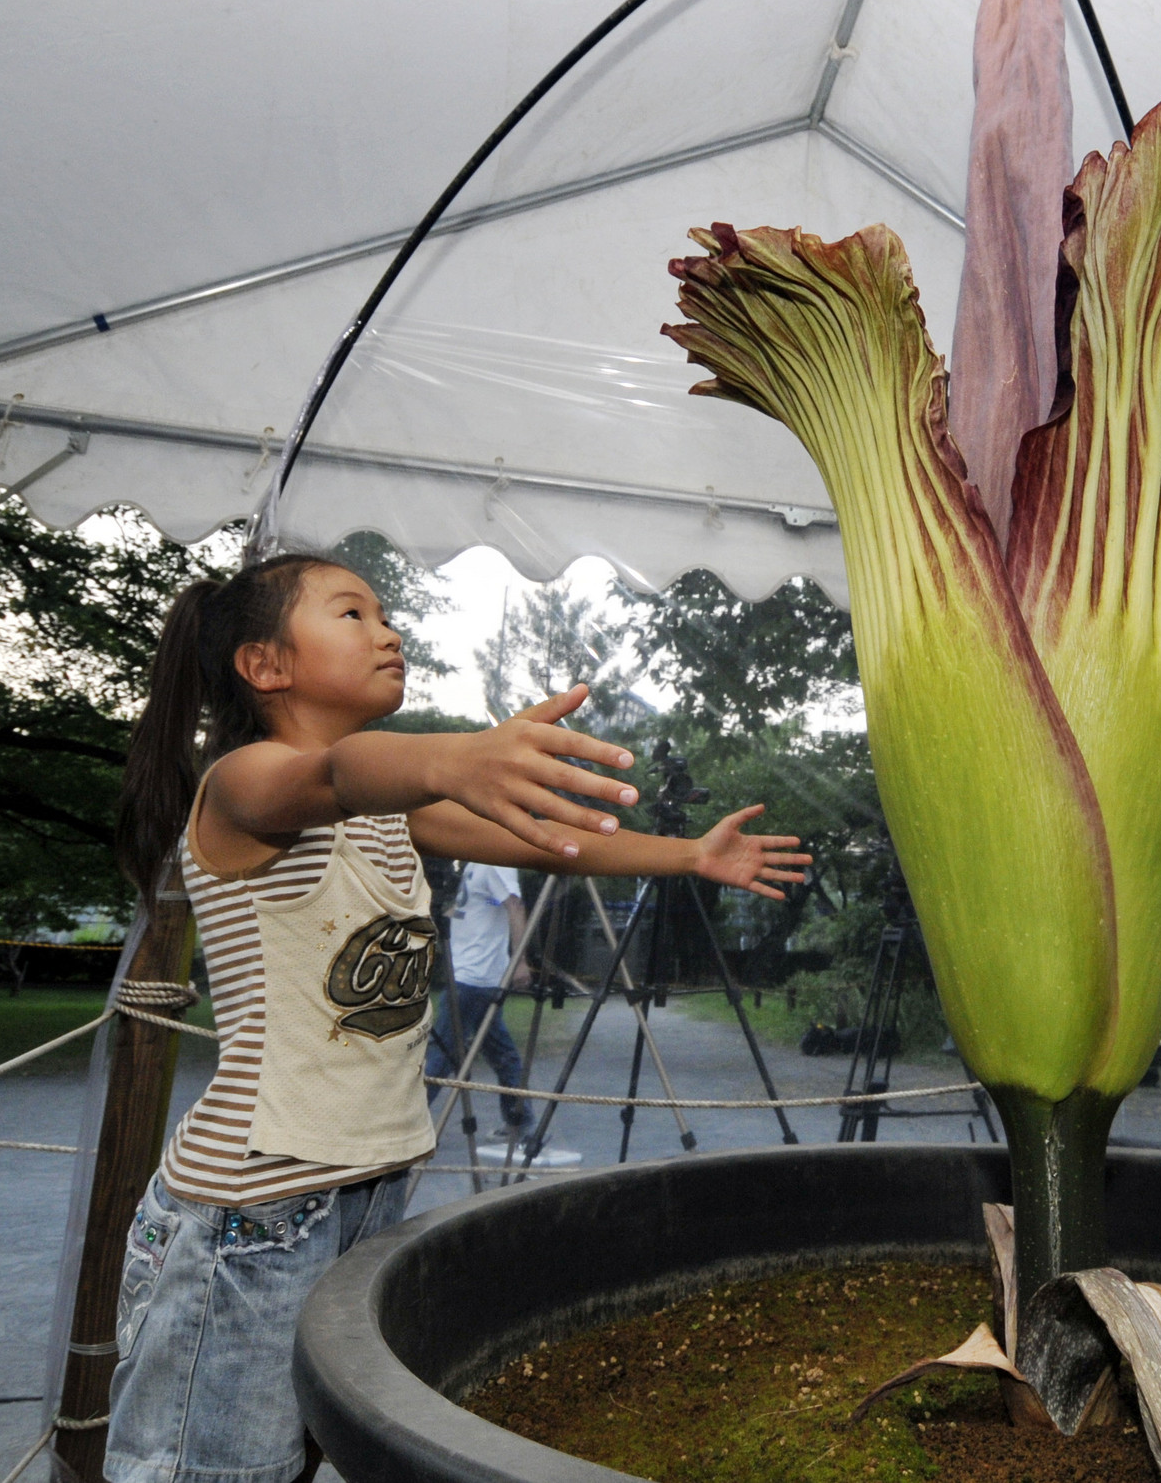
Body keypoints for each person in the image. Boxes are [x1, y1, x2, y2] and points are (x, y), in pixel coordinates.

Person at [106, 552, 808, 1483]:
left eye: (386, 613)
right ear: (265, 665)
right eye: (351, 613)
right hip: (253, 1210)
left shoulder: (390, 813)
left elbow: (549, 844)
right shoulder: (243, 786)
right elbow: (336, 774)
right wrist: (451, 752)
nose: (388, 630)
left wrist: (689, 854)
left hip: (368, 1194)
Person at [425, 859, 535, 1139]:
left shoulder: (496, 861)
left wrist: (520, 960)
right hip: (473, 973)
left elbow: (515, 905)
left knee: (442, 1053)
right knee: (502, 1054)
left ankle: (408, 1125)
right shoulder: (475, 862)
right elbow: (468, 910)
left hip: (474, 975)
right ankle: (519, 1121)